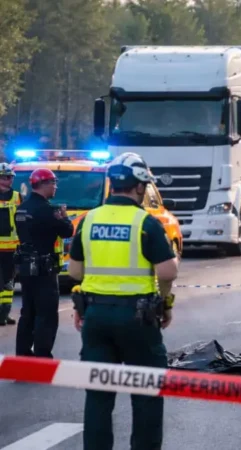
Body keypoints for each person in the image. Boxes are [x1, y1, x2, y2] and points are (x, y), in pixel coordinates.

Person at [67, 152, 179, 450]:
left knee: (99, 396)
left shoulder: (89, 220)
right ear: (140, 186)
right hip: (138, 318)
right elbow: (168, 270)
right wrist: (165, 302)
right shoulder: (145, 222)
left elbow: (75, 271)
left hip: (96, 317)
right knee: (146, 394)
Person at [13, 168, 74, 358]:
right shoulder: (47, 210)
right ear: (44, 184)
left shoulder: (22, 208)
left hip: (25, 267)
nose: (55, 187)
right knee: (46, 313)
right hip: (44, 269)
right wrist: (64, 217)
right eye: (53, 183)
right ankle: (42, 356)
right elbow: (67, 232)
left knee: (28, 312)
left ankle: (22, 354)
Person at [0, 163, 21, 326]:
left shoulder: (17, 197)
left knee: (9, 282)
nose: (9, 180)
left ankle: (4, 312)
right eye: (6, 177)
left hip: (12, 248)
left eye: (10, 177)